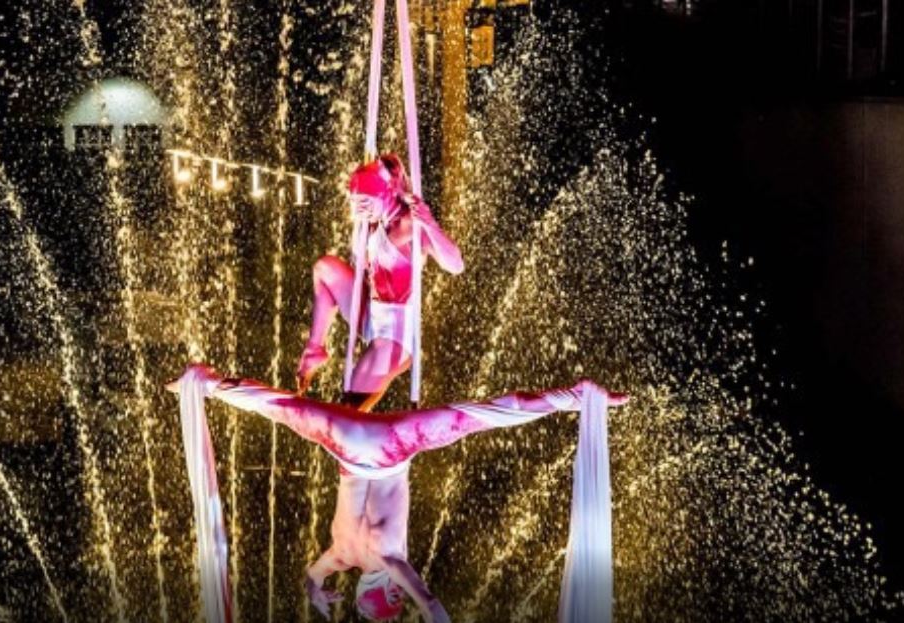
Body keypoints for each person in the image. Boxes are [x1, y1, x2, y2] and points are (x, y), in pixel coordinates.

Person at [167, 364, 627, 622]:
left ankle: (578, 396)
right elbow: (309, 578)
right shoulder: (340, 556)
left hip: (391, 446)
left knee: (481, 416)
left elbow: (431, 606)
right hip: (345, 442)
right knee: (281, 407)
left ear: (390, 589)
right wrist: (316, 593)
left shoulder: (390, 561)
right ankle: (203, 382)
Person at [297, 154, 464, 410]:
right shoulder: (372, 224)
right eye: (355, 202)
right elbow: (361, 264)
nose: (358, 208)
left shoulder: (410, 225)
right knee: (325, 268)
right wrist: (361, 225)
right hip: (371, 316)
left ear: (386, 194)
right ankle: (314, 350)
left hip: (394, 335)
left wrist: (430, 224)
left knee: (351, 410)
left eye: (364, 201)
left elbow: (456, 265)